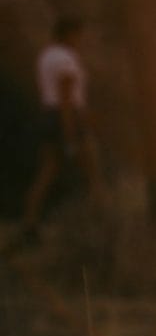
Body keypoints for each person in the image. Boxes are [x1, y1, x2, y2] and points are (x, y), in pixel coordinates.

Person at [15, 16, 105, 245]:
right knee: (93, 171)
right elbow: (66, 98)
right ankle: (103, 221)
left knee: (46, 172)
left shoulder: (46, 56)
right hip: (66, 117)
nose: (80, 40)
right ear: (69, 34)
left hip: (48, 115)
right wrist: (70, 134)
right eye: (78, 35)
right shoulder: (66, 59)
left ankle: (29, 224)